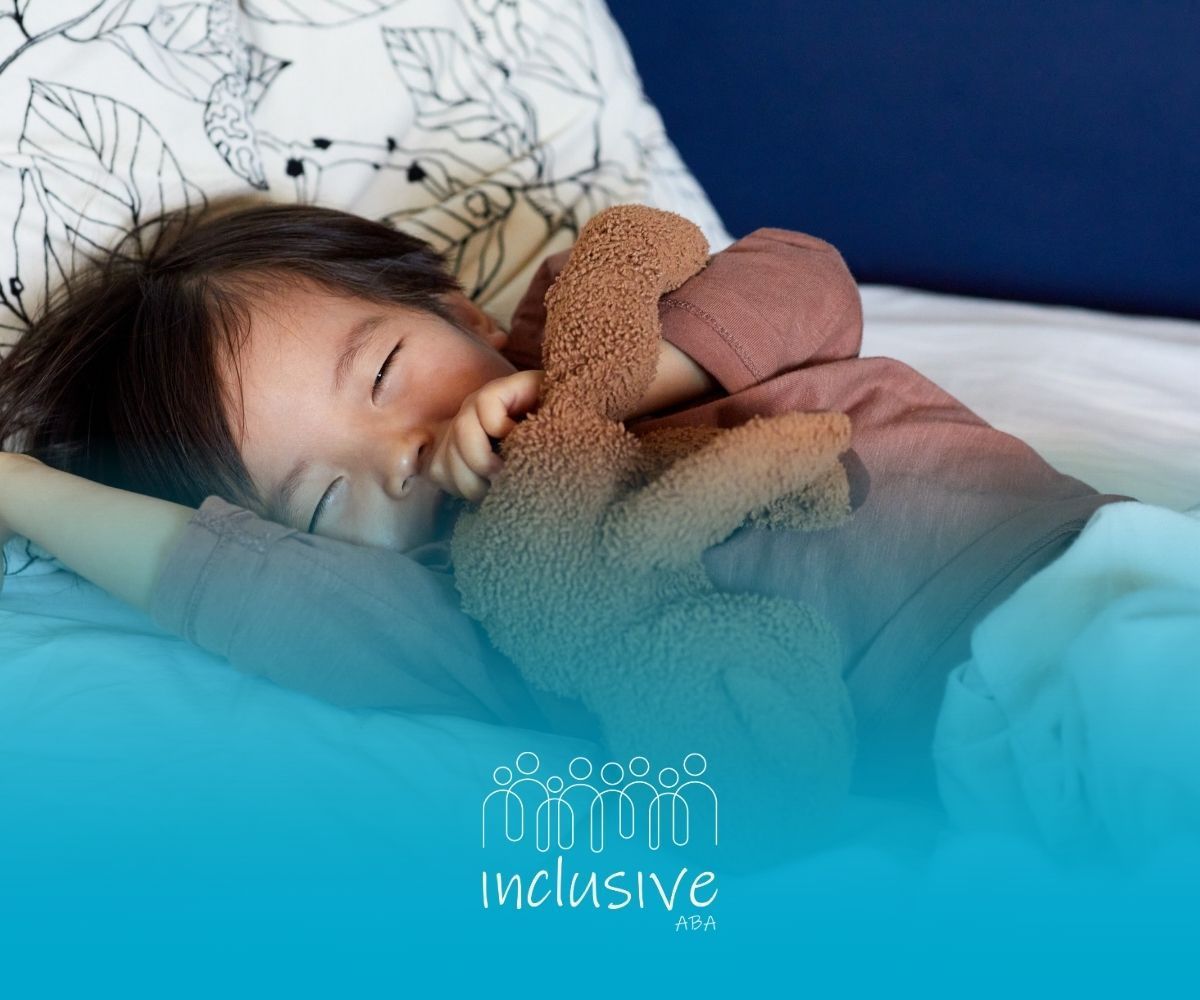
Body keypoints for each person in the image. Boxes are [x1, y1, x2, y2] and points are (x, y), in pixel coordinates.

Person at [0, 201, 1125, 799]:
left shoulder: (599, 324)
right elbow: (251, 593)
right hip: (1002, 726)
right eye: (318, 502)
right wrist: (22, 487)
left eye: (384, 376)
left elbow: (806, 275)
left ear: (465, 315)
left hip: (1101, 559)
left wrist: (627, 371)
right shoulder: (478, 610)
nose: (398, 455)